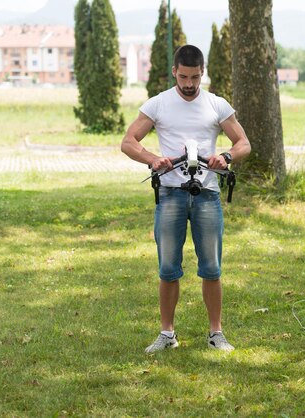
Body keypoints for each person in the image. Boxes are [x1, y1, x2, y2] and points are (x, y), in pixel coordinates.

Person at [121, 45, 251, 353]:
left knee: (212, 268)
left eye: (195, 77)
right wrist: (153, 159)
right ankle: (167, 334)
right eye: (183, 77)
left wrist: (226, 157)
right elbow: (128, 142)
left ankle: (216, 334)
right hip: (170, 195)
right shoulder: (158, 104)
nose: (189, 84)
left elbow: (243, 142)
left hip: (207, 195)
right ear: (174, 73)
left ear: (203, 72)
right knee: (168, 268)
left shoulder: (217, 105)